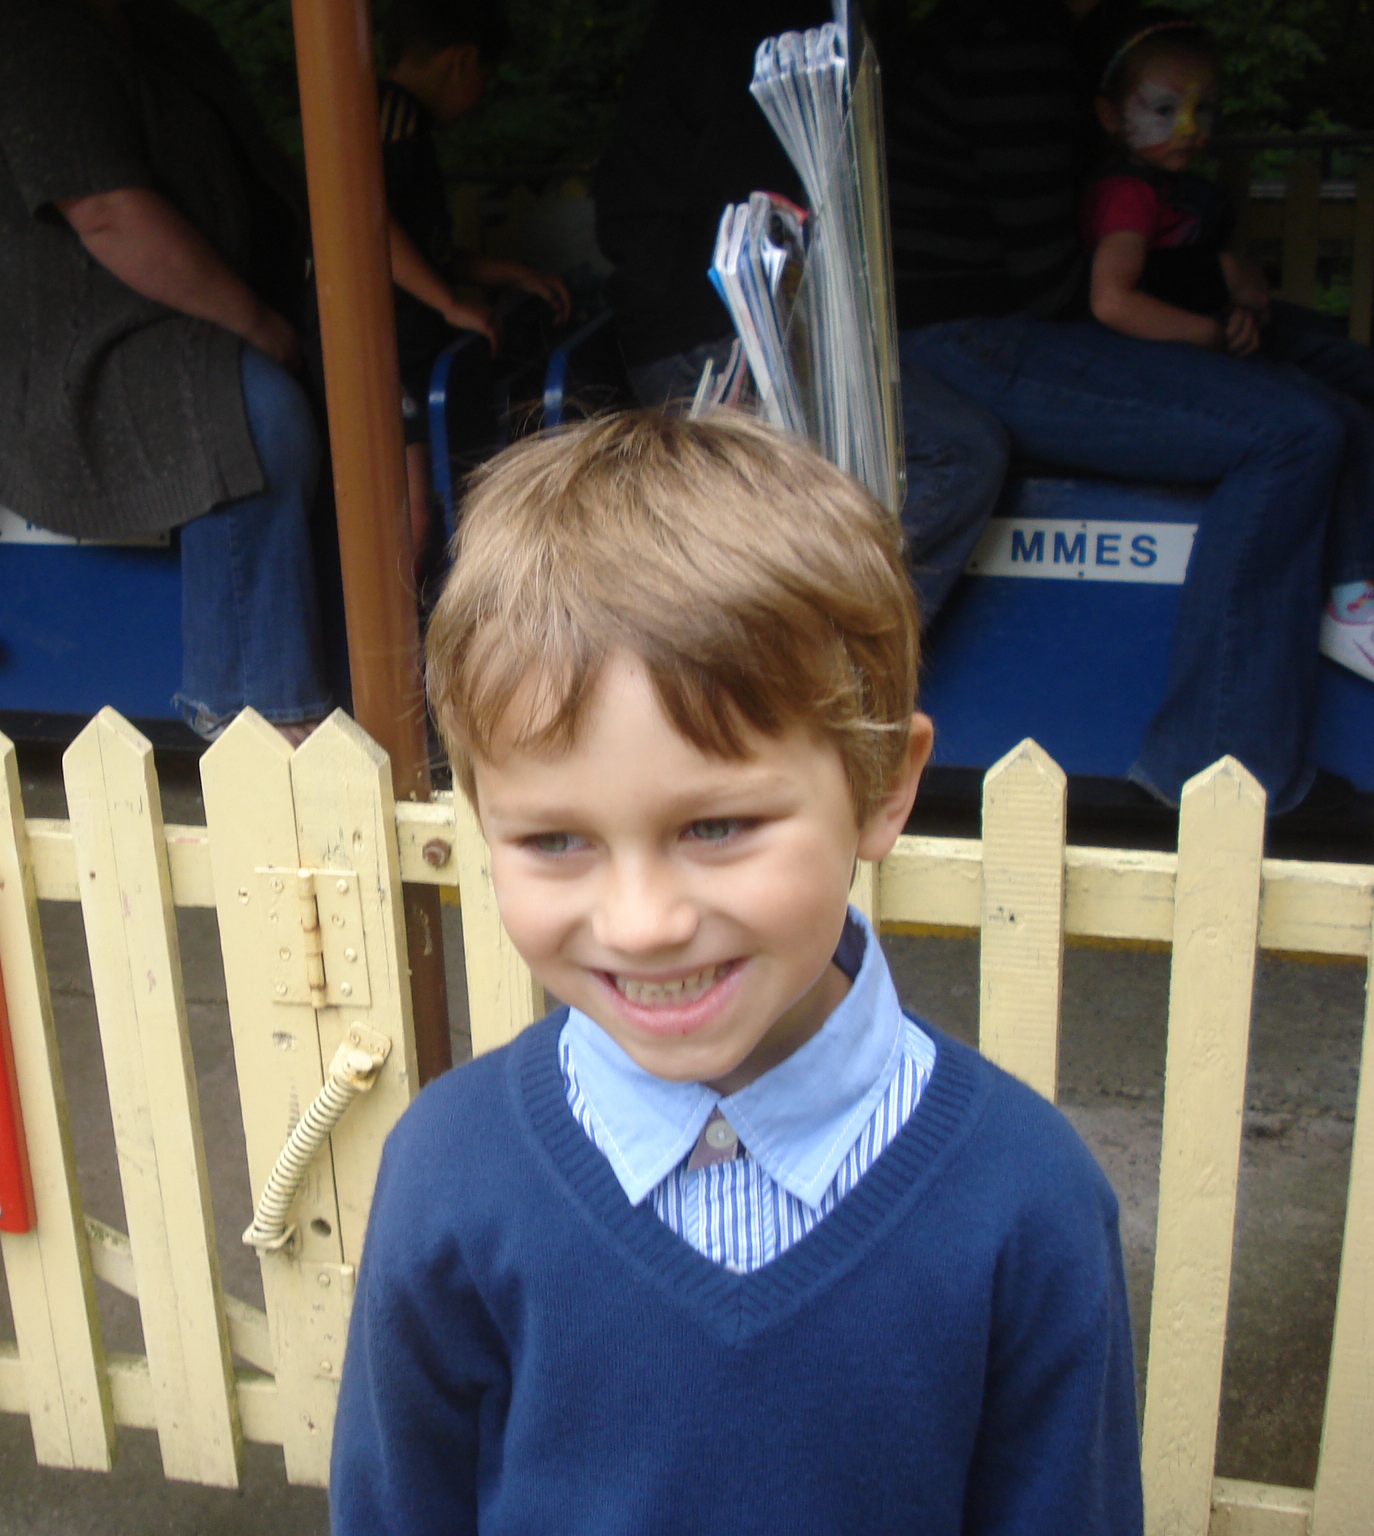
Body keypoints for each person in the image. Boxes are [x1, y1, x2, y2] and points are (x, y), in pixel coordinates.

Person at [330, 410, 1142, 1534]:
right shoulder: (449, 1176)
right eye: (555, 839)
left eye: (715, 826)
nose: (643, 923)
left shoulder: (1025, 1202)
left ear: (882, 784)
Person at [884, 0, 1347, 814]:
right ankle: (1221, 774)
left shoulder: (1043, 44)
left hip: (998, 322)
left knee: (1321, 390)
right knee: (1292, 432)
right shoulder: (1011, 46)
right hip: (969, 334)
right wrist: (1206, 306)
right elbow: (1063, 286)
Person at [0, 0, 331, 743]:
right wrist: (259, 322)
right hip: (62, 354)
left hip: (180, 316)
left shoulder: (169, 33)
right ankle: (253, 715)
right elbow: (107, 213)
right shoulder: (30, 33)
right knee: (258, 416)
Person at [590, 0, 1005, 626]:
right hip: (720, 326)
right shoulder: (773, 39)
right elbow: (750, 198)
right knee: (955, 452)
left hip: (709, 314)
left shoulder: (746, 30)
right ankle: (825, 654)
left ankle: (811, 648)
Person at [1079, 13, 1374, 684]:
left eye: (1203, 108)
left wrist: (1236, 306)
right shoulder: (1127, 193)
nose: (1188, 126)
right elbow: (1112, 299)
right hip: (1160, 359)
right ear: (1110, 115)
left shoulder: (1181, 191)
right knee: (1334, 413)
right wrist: (1209, 333)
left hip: (1209, 337)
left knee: (1345, 364)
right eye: (1163, 109)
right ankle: (1353, 597)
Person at [375, 0, 569, 582]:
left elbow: (425, 249)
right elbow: (367, 224)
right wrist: (448, 301)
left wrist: (506, 273)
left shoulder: (407, 124)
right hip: (383, 345)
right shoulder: (393, 120)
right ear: (461, 61)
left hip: (412, 347)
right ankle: (392, 632)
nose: (482, 97)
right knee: (414, 518)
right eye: (485, 77)